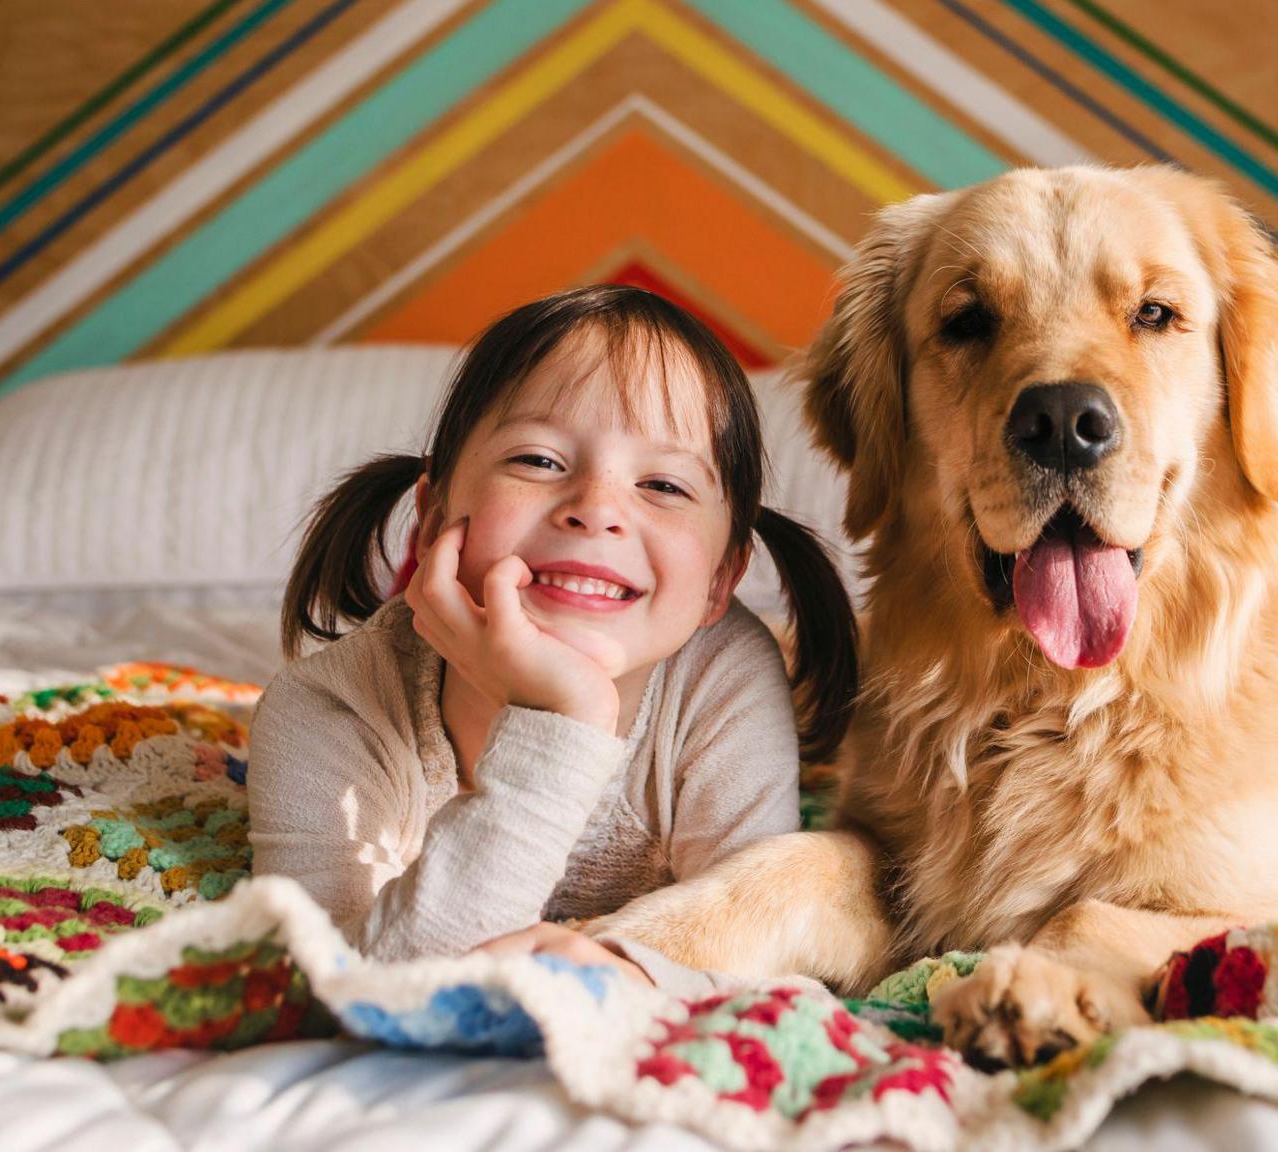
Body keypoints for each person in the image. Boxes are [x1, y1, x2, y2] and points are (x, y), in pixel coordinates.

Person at [248, 285, 854, 994]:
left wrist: (633, 973)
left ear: (722, 577)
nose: (596, 509)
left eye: (663, 484)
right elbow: (363, 991)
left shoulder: (723, 683)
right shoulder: (329, 711)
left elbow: (759, 955)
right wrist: (563, 721)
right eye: (538, 461)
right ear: (434, 511)